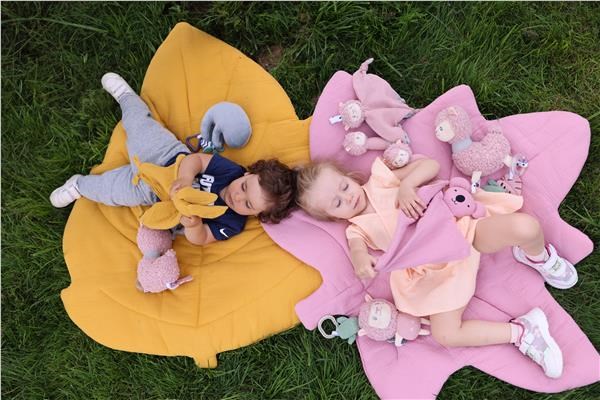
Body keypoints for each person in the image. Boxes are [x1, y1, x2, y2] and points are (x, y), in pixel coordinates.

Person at [295, 155, 578, 379]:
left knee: (526, 227)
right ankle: (523, 332)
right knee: (446, 335)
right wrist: (360, 261)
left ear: (349, 177)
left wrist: (406, 186)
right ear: (333, 217)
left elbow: (430, 165)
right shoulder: (355, 229)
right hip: (433, 271)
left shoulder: (381, 178)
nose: (348, 197)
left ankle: (537, 256)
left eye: (344, 187)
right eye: (337, 203)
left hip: (458, 232)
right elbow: (358, 251)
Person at [50, 73, 297, 245]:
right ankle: (127, 98)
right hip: (165, 156)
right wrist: (186, 178)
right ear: (248, 174)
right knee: (139, 126)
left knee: (111, 192)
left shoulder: (232, 222)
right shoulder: (231, 171)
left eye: (249, 205)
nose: (238, 197)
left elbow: (202, 239)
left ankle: (78, 186)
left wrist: (193, 225)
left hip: (152, 192)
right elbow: (196, 161)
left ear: (257, 215)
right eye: (244, 187)